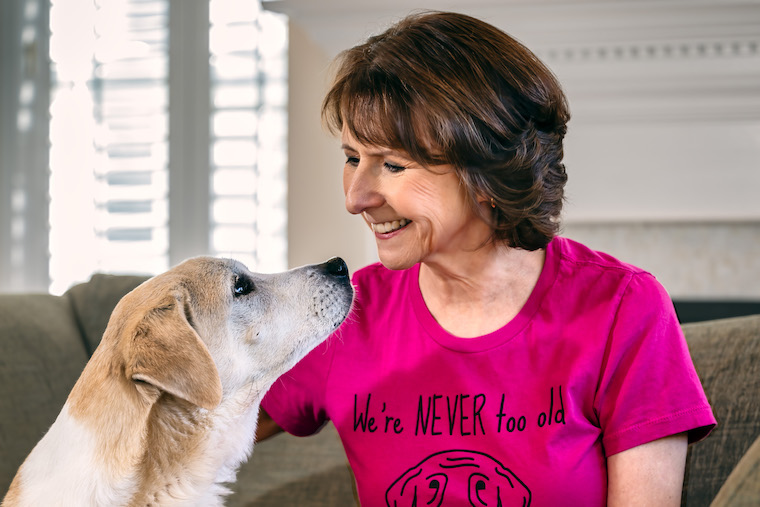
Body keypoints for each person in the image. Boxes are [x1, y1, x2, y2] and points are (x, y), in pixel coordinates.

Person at [257, 11, 716, 506]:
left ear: (489, 178)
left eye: (392, 164)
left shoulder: (622, 308)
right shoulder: (345, 313)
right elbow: (183, 424)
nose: (356, 196)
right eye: (352, 159)